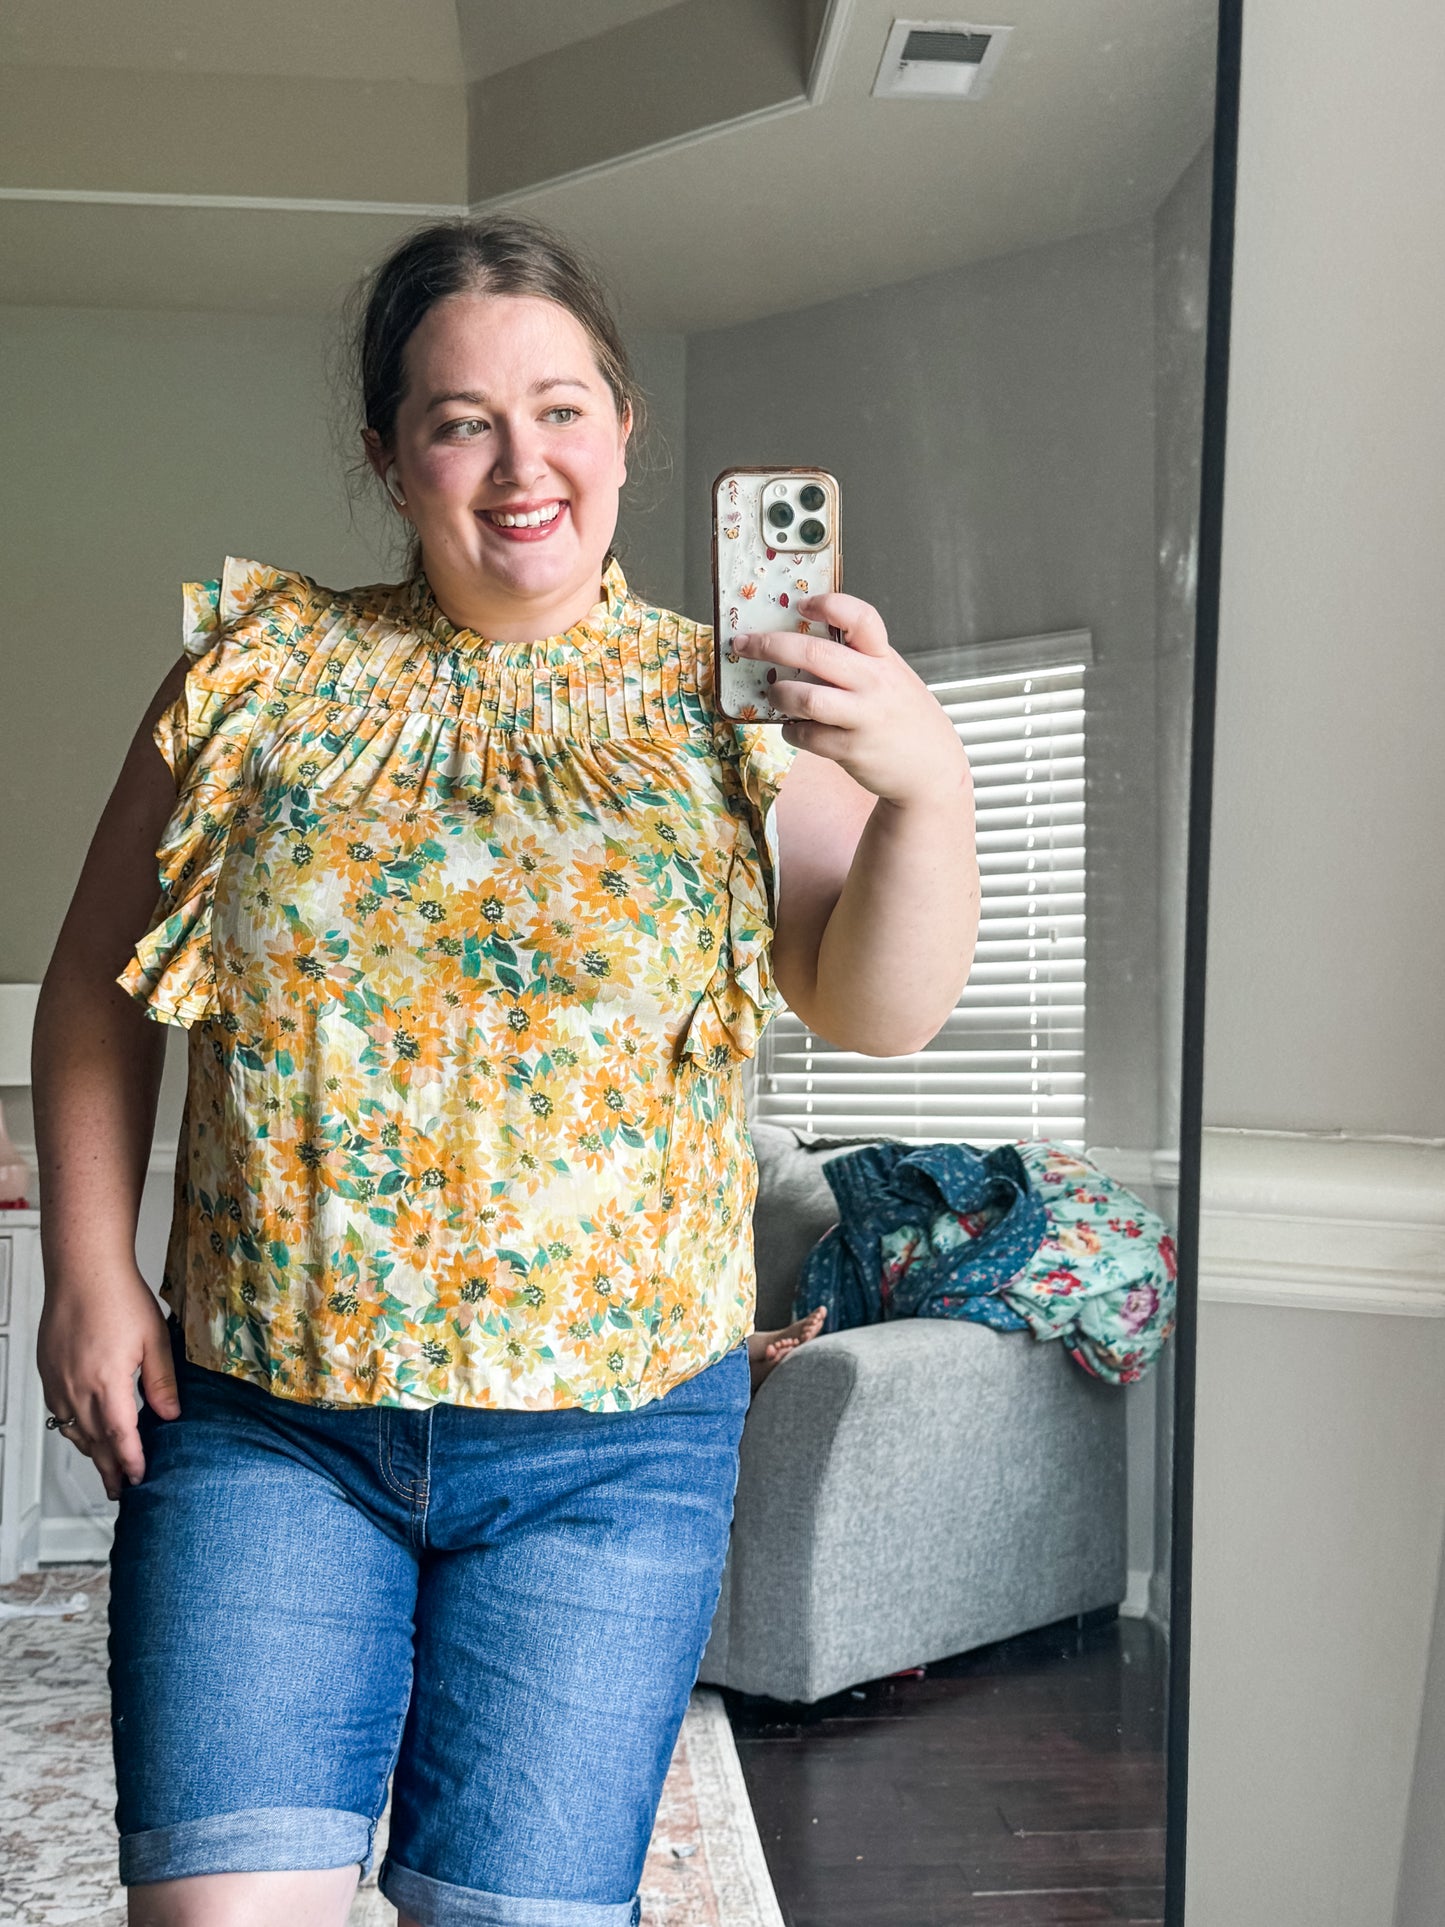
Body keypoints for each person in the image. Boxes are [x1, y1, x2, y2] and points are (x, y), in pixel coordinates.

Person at [32, 215, 979, 1927]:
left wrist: (923, 787)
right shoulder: (260, 677)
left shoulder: (732, 701)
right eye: (461, 418)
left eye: (560, 408)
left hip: (611, 1459)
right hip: (268, 1425)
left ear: (622, 428)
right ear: (391, 455)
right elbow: (102, 989)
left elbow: (880, 1006)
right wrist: (87, 1277)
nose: (518, 460)